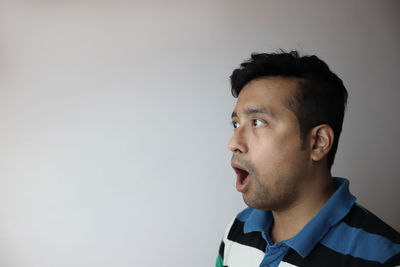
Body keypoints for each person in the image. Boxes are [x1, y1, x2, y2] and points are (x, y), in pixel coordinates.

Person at [216, 51, 400, 267]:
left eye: (257, 122)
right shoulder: (237, 229)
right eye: (236, 124)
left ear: (318, 142)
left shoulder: (384, 259)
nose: (233, 143)